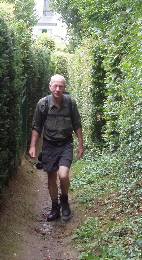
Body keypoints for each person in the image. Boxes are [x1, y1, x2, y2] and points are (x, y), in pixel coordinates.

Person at [29, 74, 84, 221]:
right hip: (49, 145)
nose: (57, 89)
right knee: (51, 176)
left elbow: (77, 124)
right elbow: (36, 126)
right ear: (50, 86)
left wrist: (80, 144)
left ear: (64, 87)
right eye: (55, 86)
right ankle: (55, 207)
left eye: (61, 86)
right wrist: (32, 145)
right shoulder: (42, 104)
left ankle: (64, 201)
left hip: (65, 144)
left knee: (63, 175)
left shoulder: (71, 103)